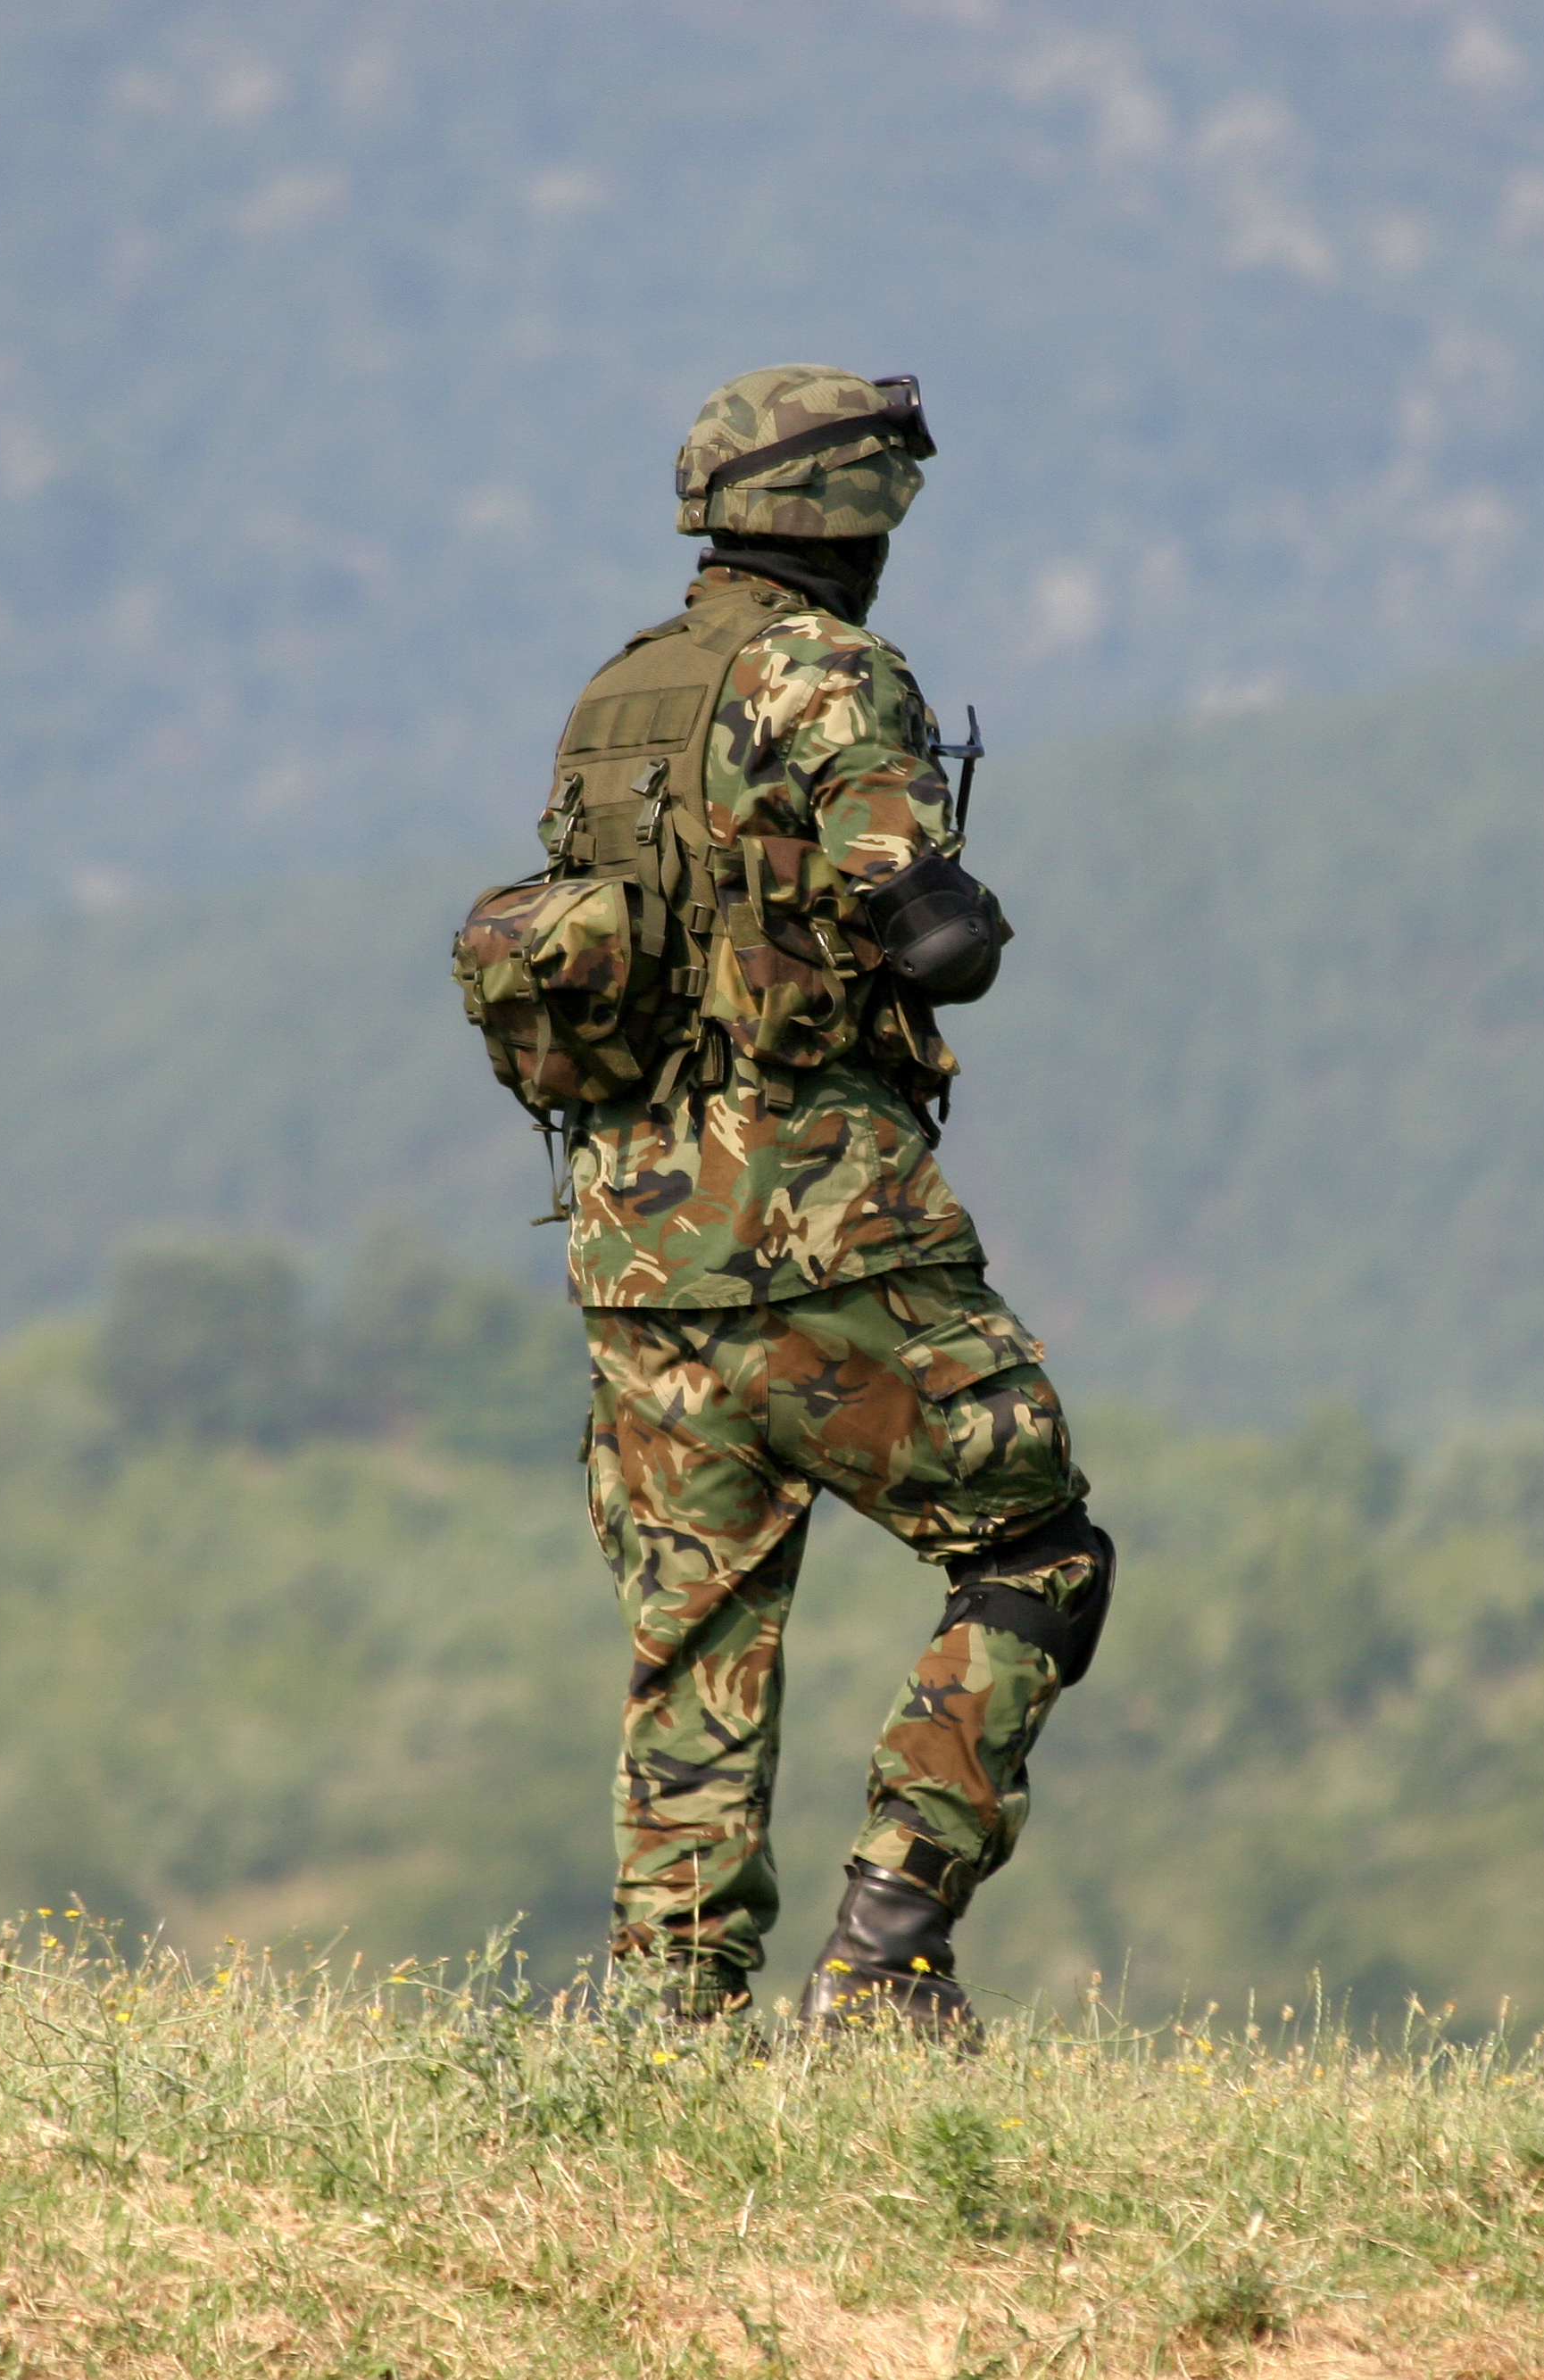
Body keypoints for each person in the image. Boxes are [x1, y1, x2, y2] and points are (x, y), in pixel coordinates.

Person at [522, 365, 1115, 2036]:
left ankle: (669, 2005)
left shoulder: (616, 695)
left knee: (694, 1630)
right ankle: (886, 1954)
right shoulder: (837, 678)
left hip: (635, 1245)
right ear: (850, 511)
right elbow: (932, 934)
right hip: (823, 1225)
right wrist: (959, 906)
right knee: (1038, 1546)